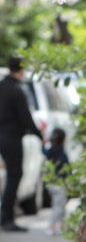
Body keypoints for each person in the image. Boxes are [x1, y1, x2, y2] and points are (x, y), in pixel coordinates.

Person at [0, 56, 43, 232]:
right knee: (14, 175)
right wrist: (39, 134)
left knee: (11, 174)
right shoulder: (17, 91)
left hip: (2, 137)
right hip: (11, 138)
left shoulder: (1, 87)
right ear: (22, 69)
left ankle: (6, 214)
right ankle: (8, 217)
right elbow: (26, 117)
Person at [43, 127, 70, 235]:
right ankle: (51, 226)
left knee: (60, 205)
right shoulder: (62, 153)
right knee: (58, 206)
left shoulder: (50, 151)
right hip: (60, 184)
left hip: (50, 183)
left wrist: (44, 143)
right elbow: (68, 169)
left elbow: (43, 151)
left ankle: (64, 225)